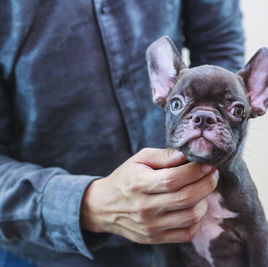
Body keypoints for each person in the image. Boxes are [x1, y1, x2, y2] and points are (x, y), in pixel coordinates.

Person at [0, 0, 244, 266]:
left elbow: (218, 41)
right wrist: (86, 204)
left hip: (188, 230)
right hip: (42, 250)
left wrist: (216, 148)